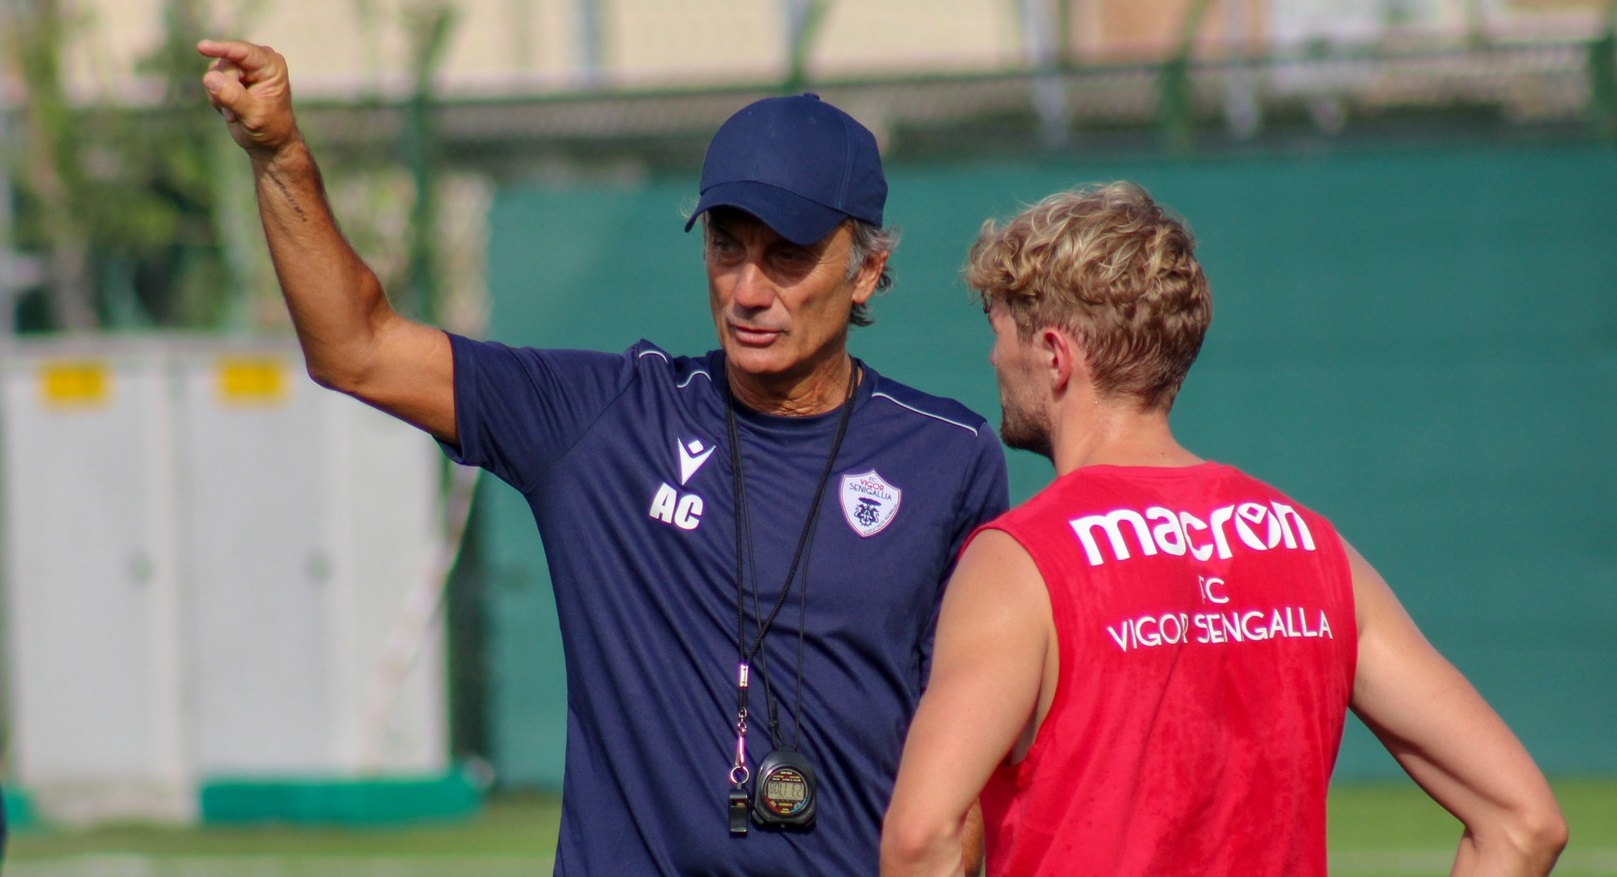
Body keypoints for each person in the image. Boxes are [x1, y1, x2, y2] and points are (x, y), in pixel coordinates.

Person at [197, 39, 1008, 876]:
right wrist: (279, 155)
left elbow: (973, 754)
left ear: (867, 270)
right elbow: (356, 349)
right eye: (727, 246)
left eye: (789, 255)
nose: (749, 289)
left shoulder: (946, 456)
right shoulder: (608, 422)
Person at [879, 182, 1568, 877]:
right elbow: (1521, 820)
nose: (993, 362)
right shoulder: (1315, 548)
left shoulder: (1020, 561)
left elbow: (920, 837)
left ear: (1055, 354)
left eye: (999, 335)